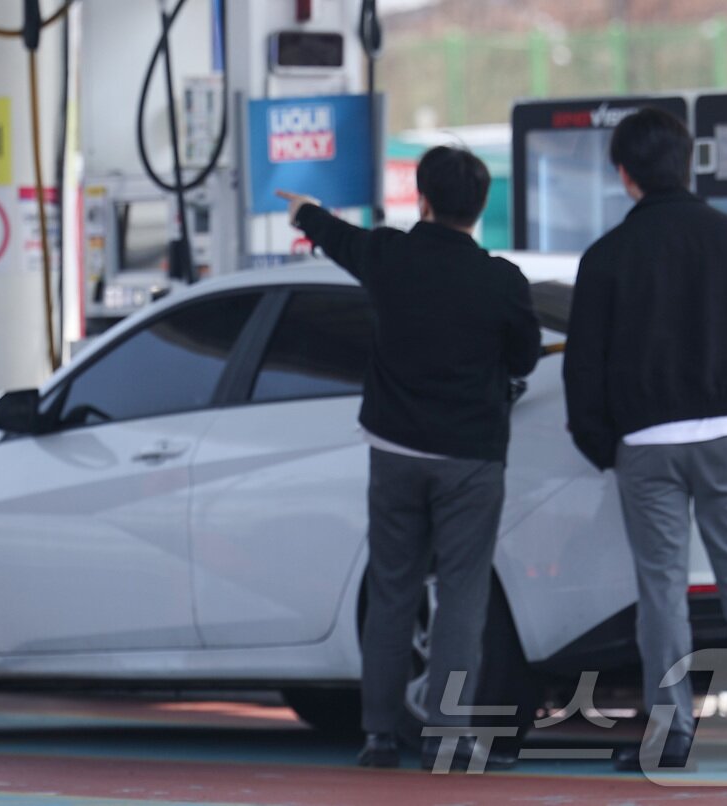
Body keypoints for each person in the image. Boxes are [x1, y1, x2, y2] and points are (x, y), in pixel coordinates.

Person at [279, 145, 541, 771]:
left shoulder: (389, 256)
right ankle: (448, 736)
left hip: (394, 454)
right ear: (477, 210)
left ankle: (377, 734)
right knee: (461, 599)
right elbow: (526, 358)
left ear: (421, 199)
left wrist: (305, 213)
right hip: (472, 461)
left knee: (393, 591)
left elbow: (337, 237)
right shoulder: (501, 281)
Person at [563, 107, 727, 773]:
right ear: (690, 160)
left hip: (646, 443)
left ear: (623, 173)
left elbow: (582, 365)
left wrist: (601, 444)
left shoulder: (607, 256)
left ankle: (670, 736)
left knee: (661, 588)